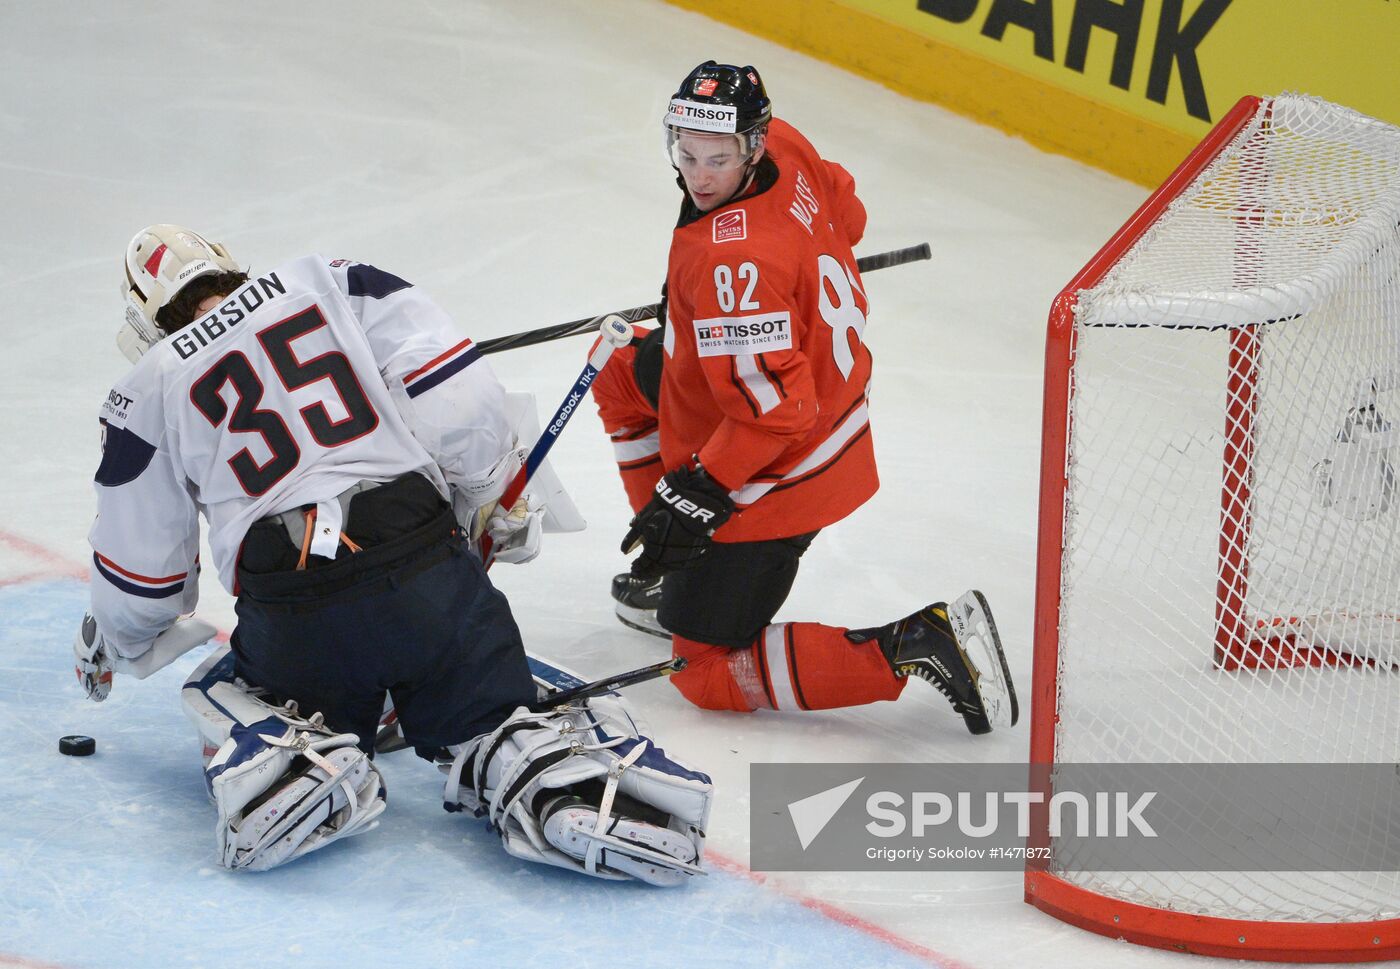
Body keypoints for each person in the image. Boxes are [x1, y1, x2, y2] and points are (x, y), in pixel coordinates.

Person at [72, 225, 712, 882]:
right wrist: (491, 491)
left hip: (296, 611)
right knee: (492, 699)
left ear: (148, 318)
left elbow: (145, 578)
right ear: (230, 267)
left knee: (224, 684)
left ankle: (292, 759)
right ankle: (540, 762)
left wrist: (115, 636)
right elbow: (454, 395)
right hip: (422, 564)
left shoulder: (144, 387)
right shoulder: (331, 277)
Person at [592, 61, 1019, 733]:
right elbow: (847, 208)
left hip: (792, 457)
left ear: (752, 146)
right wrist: (786, 268)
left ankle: (913, 644)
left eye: (720, 159)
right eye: (687, 152)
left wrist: (698, 489)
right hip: (791, 392)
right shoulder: (784, 142)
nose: (700, 176)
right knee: (619, 370)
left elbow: (777, 416)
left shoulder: (730, 264)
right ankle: (668, 567)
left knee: (701, 671)